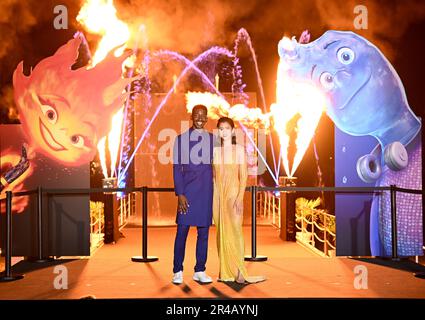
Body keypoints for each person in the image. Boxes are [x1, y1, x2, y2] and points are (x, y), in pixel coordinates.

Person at [213, 117, 266, 284]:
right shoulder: (216, 151)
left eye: (227, 128)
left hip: (233, 193)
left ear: (233, 130)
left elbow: (243, 177)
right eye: (220, 128)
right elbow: (214, 178)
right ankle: (226, 272)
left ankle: (240, 273)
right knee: (222, 232)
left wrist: (239, 198)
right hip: (218, 195)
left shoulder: (239, 150)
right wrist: (213, 200)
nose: (223, 131)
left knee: (235, 231)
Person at [172, 105, 214, 284]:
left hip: (205, 192)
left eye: (203, 116)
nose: (200, 118)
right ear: (191, 116)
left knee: (203, 233)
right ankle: (177, 270)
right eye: (197, 115)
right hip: (187, 193)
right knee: (182, 231)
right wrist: (180, 193)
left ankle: (200, 270)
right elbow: (176, 168)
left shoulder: (213, 139)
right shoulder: (180, 139)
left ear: (207, 118)